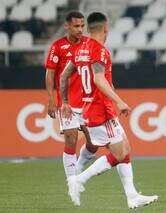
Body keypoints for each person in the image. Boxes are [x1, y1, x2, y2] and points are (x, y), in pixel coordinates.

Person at [59, 12, 158, 208]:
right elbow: (98, 79)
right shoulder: (101, 50)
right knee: (120, 153)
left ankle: (132, 197)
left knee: (126, 149)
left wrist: (65, 101)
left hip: (91, 108)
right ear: (106, 29)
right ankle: (79, 179)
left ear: (88, 28)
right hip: (100, 110)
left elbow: (63, 77)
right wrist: (120, 101)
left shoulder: (80, 49)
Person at [45, 11, 97, 178]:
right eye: (76, 26)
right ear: (67, 26)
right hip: (67, 103)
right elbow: (50, 74)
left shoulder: (89, 44)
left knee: (94, 144)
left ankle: (79, 164)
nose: (80, 29)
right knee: (71, 139)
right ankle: (72, 182)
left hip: (88, 102)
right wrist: (52, 100)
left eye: (82, 26)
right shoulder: (58, 46)